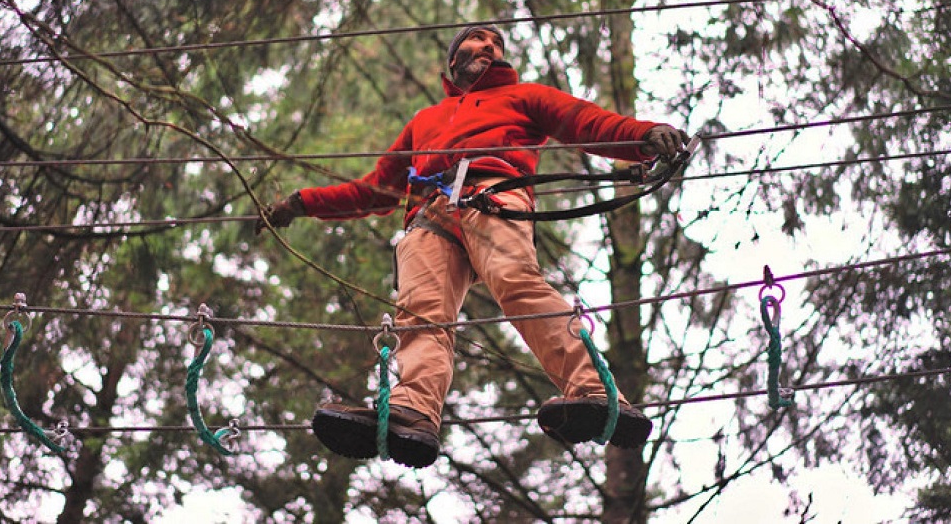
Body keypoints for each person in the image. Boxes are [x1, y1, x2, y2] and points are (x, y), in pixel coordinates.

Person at [257, 25, 688, 468]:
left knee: (517, 283)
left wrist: (644, 136)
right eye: (479, 39)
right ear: (453, 60)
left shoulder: (524, 96)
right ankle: (414, 413)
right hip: (429, 215)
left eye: (497, 44)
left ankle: (597, 393)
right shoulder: (424, 121)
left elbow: (585, 121)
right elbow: (375, 191)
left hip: (493, 192)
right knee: (420, 312)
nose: (490, 47)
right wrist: (301, 203)